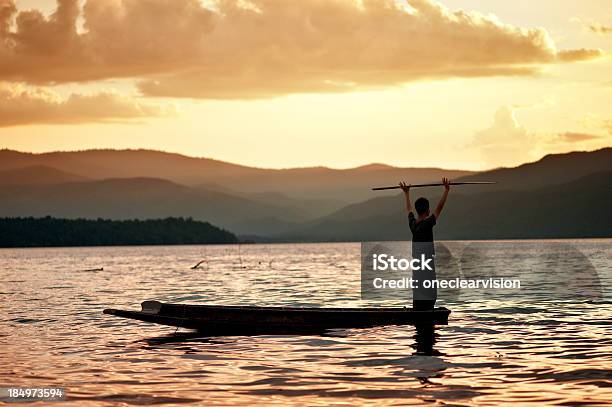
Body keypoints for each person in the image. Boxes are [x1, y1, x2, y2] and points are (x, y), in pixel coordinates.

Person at [399, 178, 450, 310]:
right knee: (429, 300)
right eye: (429, 209)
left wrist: (406, 193)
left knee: (419, 301)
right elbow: (440, 208)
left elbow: (408, 210)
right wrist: (446, 190)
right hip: (427, 270)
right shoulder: (427, 224)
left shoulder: (413, 225)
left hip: (417, 270)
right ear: (427, 210)